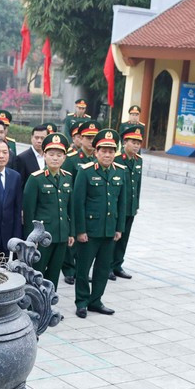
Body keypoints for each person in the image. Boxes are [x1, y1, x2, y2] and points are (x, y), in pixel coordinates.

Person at [73, 129, 126, 318]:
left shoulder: (120, 173)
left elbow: (122, 202)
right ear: (96, 152)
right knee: (83, 268)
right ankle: (81, 302)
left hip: (109, 231)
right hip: (89, 230)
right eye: (103, 150)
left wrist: (119, 228)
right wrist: (80, 230)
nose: (107, 154)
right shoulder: (85, 172)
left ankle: (96, 301)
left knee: (103, 269)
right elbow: (78, 203)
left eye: (111, 151)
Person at [22, 132, 74, 290]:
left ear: (64, 157)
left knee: (54, 272)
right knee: (38, 272)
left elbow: (69, 209)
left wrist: (71, 232)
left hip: (61, 235)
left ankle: (50, 305)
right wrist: (30, 239)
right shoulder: (36, 178)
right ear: (44, 155)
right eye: (51, 154)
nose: (55, 158)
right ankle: (35, 307)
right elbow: (29, 212)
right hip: (42, 236)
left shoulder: (67, 177)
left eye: (59, 155)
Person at [61, 120, 100, 285]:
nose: (91, 141)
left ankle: (81, 269)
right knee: (73, 238)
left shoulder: (98, 159)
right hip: (73, 203)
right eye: (87, 137)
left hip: (90, 206)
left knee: (86, 239)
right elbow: (66, 181)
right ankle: (69, 269)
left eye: (94, 137)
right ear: (80, 138)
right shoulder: (72, 159)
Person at [110, 124, 144, 281]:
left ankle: (117, 265)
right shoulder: (116, 159)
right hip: (117, 207)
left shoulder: (139, 161)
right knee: (113, 237)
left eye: (138, 143)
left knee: (124, 238)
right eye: (133, 142)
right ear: (125, 143)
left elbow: (138, 184)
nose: (136, 146)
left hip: (130, 206)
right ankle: (107, 266)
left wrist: (136, 204)